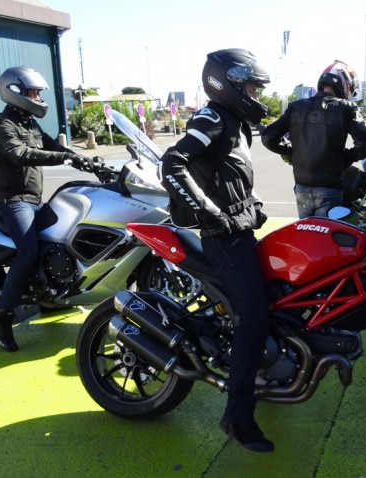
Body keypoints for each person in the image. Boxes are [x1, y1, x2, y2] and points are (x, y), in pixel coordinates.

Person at [158, 49, 274, 453]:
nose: (256, 92)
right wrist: (209, 212)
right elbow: (172, 163)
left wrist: (254, 202)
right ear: (226, 83)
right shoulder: (211, 118)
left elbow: (232, 174)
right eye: (250, 85)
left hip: (241, 231)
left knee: (276, 298)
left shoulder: (236, 124)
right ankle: (237, 416)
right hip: (222, 237)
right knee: (254, 316)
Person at [0, 66, 96, 352]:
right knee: (28, 251)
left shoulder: (29, 124)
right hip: (13, 201)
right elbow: (20, 154)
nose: (38, 98)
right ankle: (3, 317)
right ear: (16, 93)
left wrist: (84, 160)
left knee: (57, 239)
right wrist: (61, 156)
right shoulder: (3, 125)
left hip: (34, 200)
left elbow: (49, 145)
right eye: (34, 93)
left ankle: (48, 294)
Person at [261, 60, 366, 218]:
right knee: (325, 238)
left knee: (307, 235)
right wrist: (345, 158)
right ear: (345, 83)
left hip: (301, 188)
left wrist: (291, 153)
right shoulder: (347, 107)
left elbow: (268, 137)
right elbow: (364, 144)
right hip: (330, 187)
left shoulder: (295, 106)